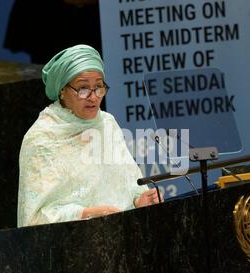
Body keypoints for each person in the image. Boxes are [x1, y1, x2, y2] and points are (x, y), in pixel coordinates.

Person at [17, 44, 160, 227]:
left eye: (99, 87)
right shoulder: (41, 139)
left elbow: (129, 184)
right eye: (83, 89)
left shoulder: (107, 123)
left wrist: (139, 201)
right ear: (62, 90)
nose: (93, 97)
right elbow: (35, 218)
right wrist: (86, 214)